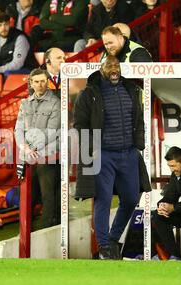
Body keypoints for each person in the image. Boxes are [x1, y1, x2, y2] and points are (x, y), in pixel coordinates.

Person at [73, 55, 151, 260]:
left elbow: (138, 119)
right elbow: (80, 125)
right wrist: (89, 152)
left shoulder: (131, 90)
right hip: (103, 154)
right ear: (101, 69)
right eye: (110, 66)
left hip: (128, 153)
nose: (114, 69)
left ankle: (114, 238)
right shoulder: (89, 93)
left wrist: (139, 145)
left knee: (132, 198)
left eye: (117, 65)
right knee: (103, 199)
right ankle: (104, 246)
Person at [14, 68, 61, 229]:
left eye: (43, 81)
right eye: (36, 81)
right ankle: (26, 229)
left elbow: (53, 131)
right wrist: (24, 147)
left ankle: (47, 228)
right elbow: (18, 129)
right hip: (28, 154)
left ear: (47, 82)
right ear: (31, 83)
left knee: (48, 195)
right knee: (28, 195)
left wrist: (31, 147)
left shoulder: (55, 103)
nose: (40, 84)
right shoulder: (25, 103)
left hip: (47, 155)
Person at [0, 12, 35, 76]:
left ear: (10, 24)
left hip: (24, 70)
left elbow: (18, 64)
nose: (3, 28)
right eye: (0, 25)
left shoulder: (19, 38)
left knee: (7, 74)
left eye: (6, 24)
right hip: (1, 71)